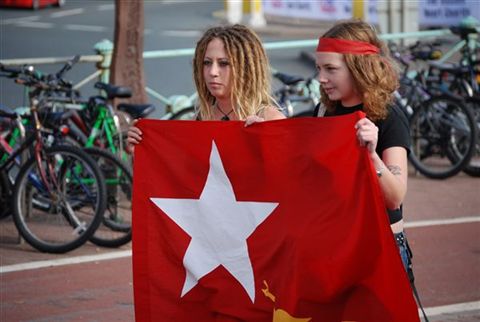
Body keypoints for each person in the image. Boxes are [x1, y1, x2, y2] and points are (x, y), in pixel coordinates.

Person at [313, 19, 412, 271]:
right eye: (319, 69)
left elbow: (395, 197)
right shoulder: (323, 111)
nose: (321, 78)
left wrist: (372, 156)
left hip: (380, 248)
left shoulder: (389, 117)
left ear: (359, 68)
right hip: (335, 246)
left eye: (330, 69)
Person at [127, 24, 285, 147]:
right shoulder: (199, 121)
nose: (212, 72)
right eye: (207, 63)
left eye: (224, 63)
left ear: (246, 69)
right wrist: (142, 148)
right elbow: (176, 174)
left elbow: (291, 177)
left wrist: (268, 142)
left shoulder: (271, 120)